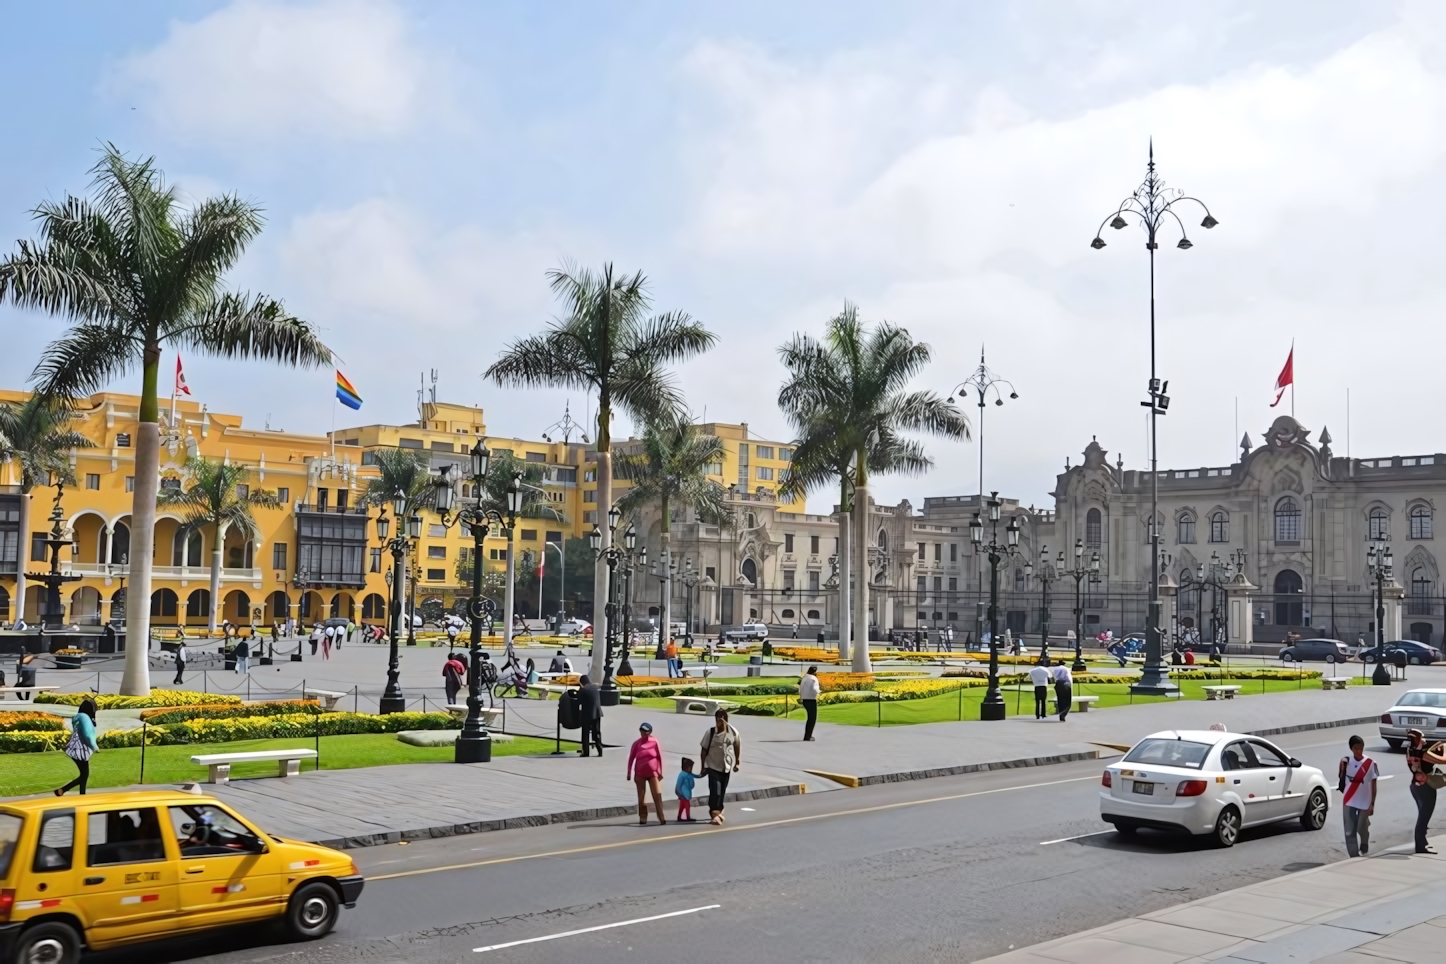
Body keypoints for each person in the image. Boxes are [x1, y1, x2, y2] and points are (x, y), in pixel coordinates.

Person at [1405, 729, 1446, 853]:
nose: (1424, 740)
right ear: (1416, 739)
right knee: (1424, 818)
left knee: (1423, 816)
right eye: (1422, 738)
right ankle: (1420, 846)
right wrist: (1444, 747)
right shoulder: (1422, 754)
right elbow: (1443, 760)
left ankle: (1422, 842)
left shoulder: (1410, 751)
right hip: (1425, 788)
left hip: (1415, 787)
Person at [700, 708, 742, 825]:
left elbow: (737, 746)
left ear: (726, 719)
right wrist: (703, 765)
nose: (720, 720)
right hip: (712, 765)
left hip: (726, 767)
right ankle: (715, 813)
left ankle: (719, 810)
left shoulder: (732, 732)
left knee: (722, 791)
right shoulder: (711, 732)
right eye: (718, 717)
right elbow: (703, 750)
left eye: (723, 717)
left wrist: (737, 762)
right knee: (715, 791)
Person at [1339, 734, 1378, 857]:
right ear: (1351, 748)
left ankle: (1365, 839)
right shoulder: (1346, 761)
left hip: (1364, 800)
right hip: (1349, 799)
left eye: (1360, 747)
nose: (1358, 750)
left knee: (1361, 827)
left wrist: (1372, 803)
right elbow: (1341, 781)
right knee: (1349, 830)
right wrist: (1342, 767)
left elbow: (1374, 784)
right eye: (1356, 748)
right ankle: (1354, 855)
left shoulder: (1371, 763)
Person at [626, 722, 667, 826]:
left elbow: (659, 757)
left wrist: (660, 771)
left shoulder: (654, 742)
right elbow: (631, 758)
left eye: (647, 732)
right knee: (641, 796)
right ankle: (643, 817)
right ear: (640, 731)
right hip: (640, 773)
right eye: (643, 731)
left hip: (653, 772)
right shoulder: (637, 744)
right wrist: (629, 772)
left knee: (657, 795)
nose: (645, 734)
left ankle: (661, 817)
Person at [55, 698, 98, 796]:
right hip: (80, 749)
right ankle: (63, 790)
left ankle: (81, 794)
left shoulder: (79, 717)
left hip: (75, 748)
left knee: (84, 774)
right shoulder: (85, 718)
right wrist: (95, 747)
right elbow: (88, 735)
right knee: (84, 775)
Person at [578, 674, 603, 757]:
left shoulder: (583, 690)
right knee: (596, 732)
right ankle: (600, 750)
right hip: (597, 713)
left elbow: (579, 701)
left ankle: (586, 752)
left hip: (587, 714)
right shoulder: (596, 688)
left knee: (585, 733)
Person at [799, 665, 821, 741]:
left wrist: (801, 696)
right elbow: (815, 688)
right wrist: (818, 692)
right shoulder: (813, 679)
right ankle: (808, 736)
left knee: (810, 718)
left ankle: (807, 736)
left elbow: (800, 689)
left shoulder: (804, 678)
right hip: (811, 699)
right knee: (812, 719)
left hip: (804, 699)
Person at [676, 758, 700, 822]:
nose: (690, 769)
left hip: (687, 794)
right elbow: (678, 785)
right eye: (689, 767)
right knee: (686, 806)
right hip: (683, 794)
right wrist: (679, 793)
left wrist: (703, 773)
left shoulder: (689, 774)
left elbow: (697, 776)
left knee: (682, 806)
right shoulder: (682, 774)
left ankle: (679, 816)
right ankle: (687, 817)